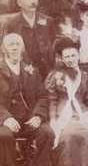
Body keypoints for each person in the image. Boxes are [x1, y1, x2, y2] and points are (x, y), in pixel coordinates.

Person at [45, 37, 88, 166]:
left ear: (78, 56)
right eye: (66, 57)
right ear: (62, 59)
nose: (70, 59)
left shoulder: (87, 77)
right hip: (62, 114)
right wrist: (53, 118)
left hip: (82, 112)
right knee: (69, 135)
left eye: (73, 55)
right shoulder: (55, 76)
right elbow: (52, 100)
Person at [0, 33, 54, 166]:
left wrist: (38, 117)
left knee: (47, 133)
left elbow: (43, 96)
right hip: (5, 120)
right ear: (4, 49)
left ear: (22, 48)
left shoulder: (32, 71)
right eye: (10, 45)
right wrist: (6, 118)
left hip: (29, 119)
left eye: (17, 44)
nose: (14, 48)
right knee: (4, 136)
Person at [1, 0, 55, 78]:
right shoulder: (11, 24)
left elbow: (54, 44)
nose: (33, 1)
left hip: (47, 70)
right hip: (23, 72)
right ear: (19, 3)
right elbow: (5, 48)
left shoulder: (47, 21)